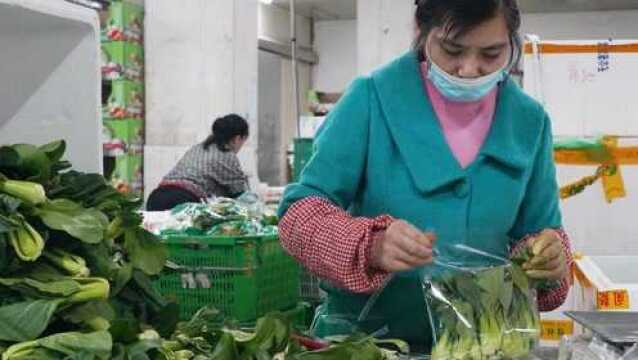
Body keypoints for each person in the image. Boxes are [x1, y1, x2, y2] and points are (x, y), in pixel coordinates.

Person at [278, 0, 572, 352]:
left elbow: (541, 232)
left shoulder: (528, 122)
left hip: (480, 347)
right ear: (421, 30)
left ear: (511, 42)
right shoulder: (371, 100)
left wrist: (548, 257)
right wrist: (370, 245)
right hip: (366, 345)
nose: (469, 70)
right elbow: (298, 217)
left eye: (491, 54)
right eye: (452, 50)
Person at [146, 114, 249, 211]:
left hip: (155, 198)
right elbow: (241, 196)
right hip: (183, 201)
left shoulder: (198, 148)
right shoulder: (227, 155)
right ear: (237, 138)